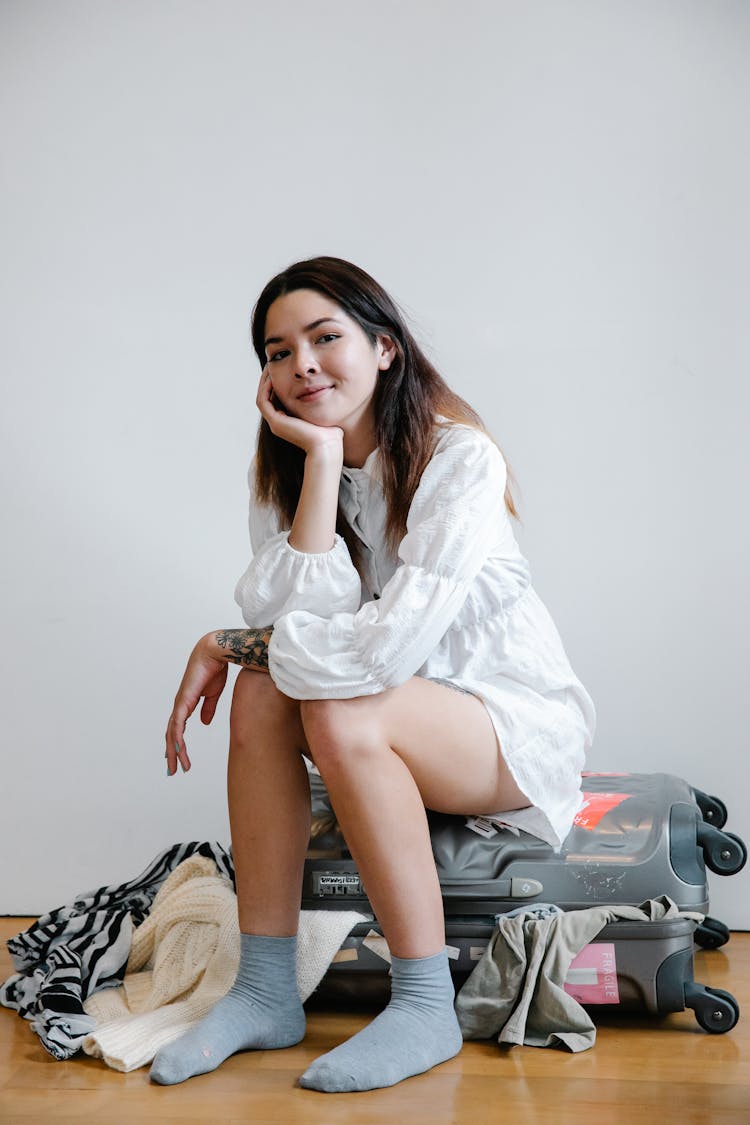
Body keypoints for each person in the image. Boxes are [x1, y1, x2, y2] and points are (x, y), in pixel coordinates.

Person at [150, 255, 596, 1093]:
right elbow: (295, 631)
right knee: (265, 692)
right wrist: (319, 461)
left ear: (385, 348)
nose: (303, 364)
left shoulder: (459, 457)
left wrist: (227, 639)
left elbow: (379, 656)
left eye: (325, 338)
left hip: (503, 725)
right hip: (396, 718)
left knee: (341, 711)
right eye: (278, 352)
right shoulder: (290, 472)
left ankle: (424, 1004)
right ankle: (265, 987)